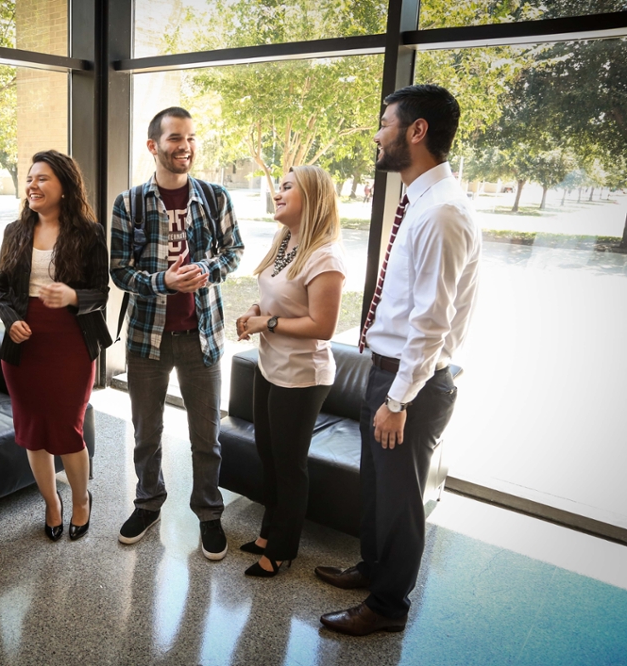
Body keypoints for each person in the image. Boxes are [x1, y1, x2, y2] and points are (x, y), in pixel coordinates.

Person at [316, 84, 481, 636]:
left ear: (417, 131)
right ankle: (372, 569)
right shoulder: (422, 202)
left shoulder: (442, 213)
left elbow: (431, 325)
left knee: (401, 501)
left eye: (386, 122)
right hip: (388, 374)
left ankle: (388, 608)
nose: (377, 133)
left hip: (410, 386)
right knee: (378, 491)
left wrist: (396, 399)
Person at [110, 106, 244, 560]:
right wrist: (161, 282)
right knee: (147, 433)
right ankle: (148, 504)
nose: (184, 146)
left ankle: (209, 514)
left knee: (206, 437)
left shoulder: (215, 197)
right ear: (153, 146)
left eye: (189, 138)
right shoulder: (128, 203)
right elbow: (119, 271)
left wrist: (206, 269)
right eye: (174, 139)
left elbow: (234, 252)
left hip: (202, 337)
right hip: (147, 340)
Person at [0, 150, 111, 542]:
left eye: (42, 178)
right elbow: (0, 288)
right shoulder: (15, 231)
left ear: (64, 186)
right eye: (30, 179)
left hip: (71, 345)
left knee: (66, 429)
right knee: (33, 432)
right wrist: (12, 322)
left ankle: (80, 500)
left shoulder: (89, 233)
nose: (33, 185)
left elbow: (100, 292)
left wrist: (72, 296)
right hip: (24, 345)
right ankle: (51, 502)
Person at [235, 165, 346, 578]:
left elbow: (323, 325)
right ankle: (267, 533)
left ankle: (281, 549)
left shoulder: (326, 256)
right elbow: (276, 297)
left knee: (289, 464)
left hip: (302, 376)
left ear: (312, 197)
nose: (277, 193)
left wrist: (269, 324)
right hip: (270, 365)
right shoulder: (287, 240)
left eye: (286, 188)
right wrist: (255, 311)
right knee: (268, 455)